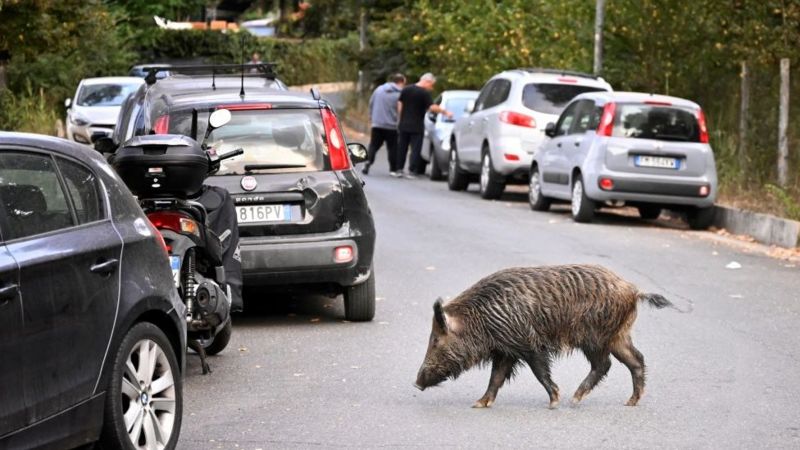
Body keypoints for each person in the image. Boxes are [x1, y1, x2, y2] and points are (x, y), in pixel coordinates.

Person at [396, 73, 452, 179]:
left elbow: (400, 104)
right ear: (427, 81)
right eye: (431, 85)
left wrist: (400, 118)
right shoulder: (424, 93)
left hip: (404, 124)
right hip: (417, 126)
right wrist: (445, 112)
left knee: (401, 147)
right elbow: (432, 107)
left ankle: (399, 169)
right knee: (415, 149)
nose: (431, 88)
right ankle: (412, 171)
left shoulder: (406, 89)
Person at [363, 73, 406, 176]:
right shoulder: (400, 94)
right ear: (401, 82)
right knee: (392, 148)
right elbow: (401, 110)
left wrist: (371, 117)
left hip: (377, 124)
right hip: (391, 126)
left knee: (373, 145)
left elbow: (371, 103)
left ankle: (368, 162)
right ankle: (393, 169)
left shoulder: (379, 90)